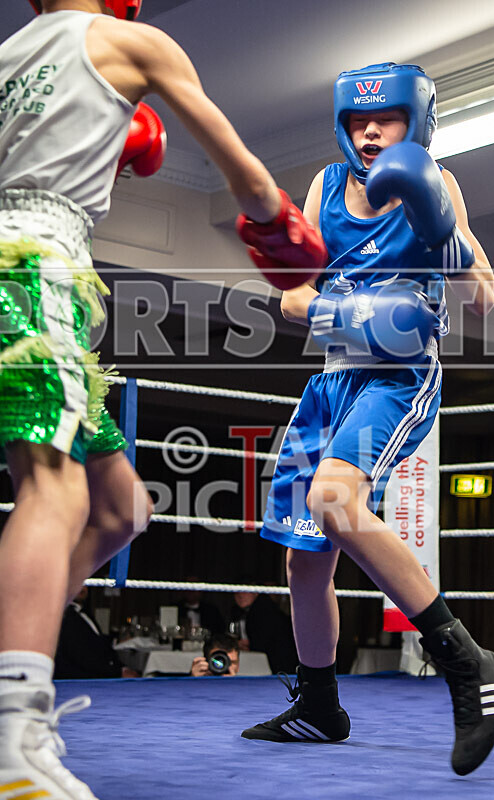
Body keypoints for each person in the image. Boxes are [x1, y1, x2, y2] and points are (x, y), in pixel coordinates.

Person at [0, 2, 326, 798]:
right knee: (52, 489)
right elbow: (245, 175)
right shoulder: (131, 40)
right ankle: (13, 735)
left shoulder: (9, 55)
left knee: (122, 510)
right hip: (36, 267)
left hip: (36, 271)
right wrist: (279, 232)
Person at [238, 62, 494, 776]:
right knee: (304, 562)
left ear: (413, 123)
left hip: (397, 377)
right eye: (359, 120)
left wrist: (444, 239)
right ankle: (320, 705)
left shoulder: (438, 183)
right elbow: (292, 300)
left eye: (385, 119)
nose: (369, 131)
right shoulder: (325, 188)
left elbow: (480, 297)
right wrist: (358, 310)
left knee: (335, 499)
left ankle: (467, 661)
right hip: (331, 380)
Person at [54, 586, 140, 679]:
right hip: (83, 680)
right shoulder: (65, 616)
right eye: (79, 582)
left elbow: (99, 645)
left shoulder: (84, 614)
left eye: (86, 584)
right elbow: (82, 656)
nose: (83, 588)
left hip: (99, 674)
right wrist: (118, 673)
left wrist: (122, 668)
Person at [230, 588, 298, 674]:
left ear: (255, 592)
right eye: (236, 593)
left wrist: (250, 645)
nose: (240, 596)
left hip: (279, 664)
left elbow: (265, 641)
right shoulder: (245, 612)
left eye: (244, 591)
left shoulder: (262, 610)